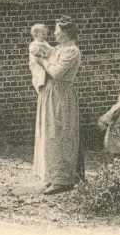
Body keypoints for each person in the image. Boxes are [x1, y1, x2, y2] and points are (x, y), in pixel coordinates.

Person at [33, 17, 84, 194]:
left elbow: (56, 72)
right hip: (50, 93)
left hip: (61, 95)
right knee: (49, 134)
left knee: (60, 134)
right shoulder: (58, 49)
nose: (54, 33)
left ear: (65, 32)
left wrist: (42, 61)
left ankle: (64, 179)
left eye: (57, 30)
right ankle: (53, 176)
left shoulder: (72, 51)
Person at [28, 23, 53, 92]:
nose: (45, 36)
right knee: (39, 74)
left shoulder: (45, 43)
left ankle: (44, 86)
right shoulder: (34, 44)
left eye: (46, 34)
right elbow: (35, 52)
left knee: (46, 73)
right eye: (43, 34)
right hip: (36, 64)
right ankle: (40, 85)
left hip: (43, 63)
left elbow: (51, 50)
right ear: (36, 35)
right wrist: (44, 53)